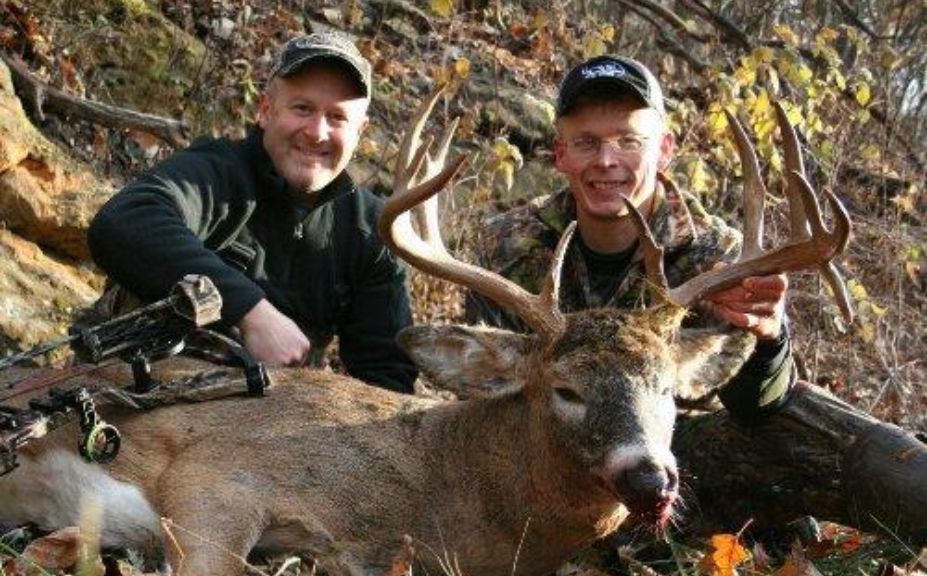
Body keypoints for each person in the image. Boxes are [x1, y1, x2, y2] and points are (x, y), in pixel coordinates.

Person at [465, 55, 793, 422]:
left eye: (629, 141)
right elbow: (483, 402)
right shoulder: (505, 245)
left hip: (680, 458)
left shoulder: (718, 259)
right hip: (547, 453)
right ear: (561, 154)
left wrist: (768, 339)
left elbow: (755, 410)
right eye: (586, 142)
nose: (606, 160)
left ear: (665, 150)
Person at [87, 31, 418, 393]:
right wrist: (250, 311)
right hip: (140, 397)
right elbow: (123, 222)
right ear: (265, 110)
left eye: (337, 117)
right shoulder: (217, 173)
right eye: (302, 108)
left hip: (268, 425)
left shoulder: (371, 231)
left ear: (360, 132)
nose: (317, 132)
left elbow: (387, 381)